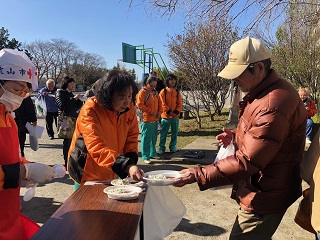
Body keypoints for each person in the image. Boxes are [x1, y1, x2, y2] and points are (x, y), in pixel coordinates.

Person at [173, 36, 307, 240]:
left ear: (259, 68)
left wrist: (198, 174)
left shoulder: (272, 103)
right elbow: (263, 136)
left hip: (265, 192)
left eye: (239, 73)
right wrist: (235, 136)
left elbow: (249, 160)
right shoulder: (265, 92)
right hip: (266, 185)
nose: (235, 79)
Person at [0, 48, 56, 239]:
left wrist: (29, 167)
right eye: (16, 90)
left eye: (24, 92)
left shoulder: (8, 119)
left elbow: (13, 158)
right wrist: (24, 172)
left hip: (9, 213)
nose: (20, 97)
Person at [68, 69, 144, 189]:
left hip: (113, 166)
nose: (127, 101)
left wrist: (130, 159)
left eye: (129, 96)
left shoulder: (128, 108)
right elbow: (96, 146)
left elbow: (131, 136)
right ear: (108, 95)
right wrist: (125, 165)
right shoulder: (91, 109)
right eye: (121, 97)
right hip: (88, 171)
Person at [55, 76, 83, 166]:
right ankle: (66, 161)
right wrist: (74, 99)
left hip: (73, 119)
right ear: (66, 84)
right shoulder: (60, 93)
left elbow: (75, 106)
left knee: (73, 141)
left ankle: (71, 160)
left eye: (73, 84)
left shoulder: (70, 93)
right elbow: (62, 106)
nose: (72, 86)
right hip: (66, 120)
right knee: (67, 141)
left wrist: (79, 101)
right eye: (71, 84)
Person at [136, 75, 162, 164]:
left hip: (155, 119)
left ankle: (152, 152)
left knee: (153, 137)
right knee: (146, 138)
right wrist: (151, 111)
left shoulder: (155, 92)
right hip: (146, 119)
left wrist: (159, 111)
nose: (154, 87)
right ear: (147, 83)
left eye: (155, 86)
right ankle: (145, 156)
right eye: (152, 85)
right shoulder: (142, 92)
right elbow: (140, 105)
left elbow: (160, 102)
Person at [157, 73, 182, 154]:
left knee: (174, 133)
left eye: (174, 80)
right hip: (165, 117)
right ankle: (161, 148)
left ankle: (173, 146)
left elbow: (180, 103)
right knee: (163, 133)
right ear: (167, 81)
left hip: (175, 117)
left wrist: (175, 112)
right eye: (171, 80)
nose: (173, 81)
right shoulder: (163, 92)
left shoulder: (177, 92)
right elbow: (162, 103)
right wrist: (169, 112)